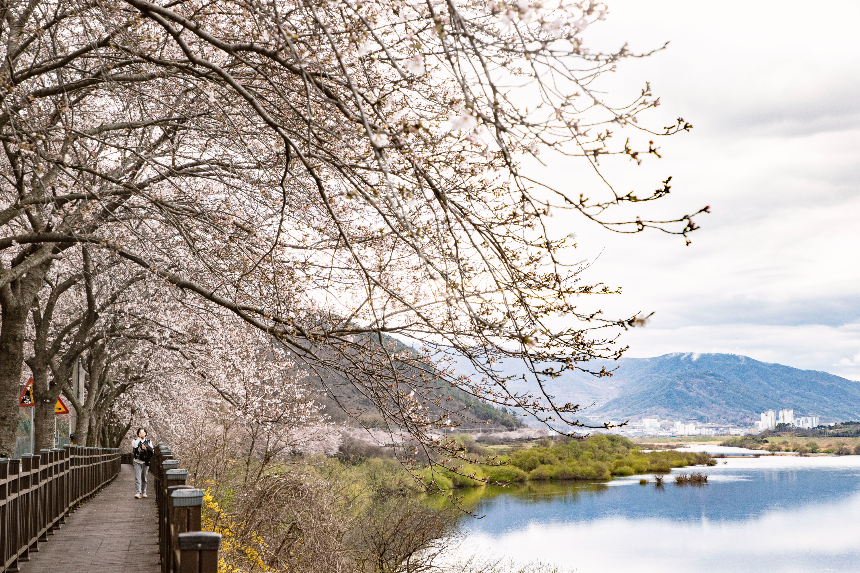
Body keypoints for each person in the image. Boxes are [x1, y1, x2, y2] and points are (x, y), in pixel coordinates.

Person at [132, 427, 154, 499]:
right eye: (140, 433)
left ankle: (144, 491)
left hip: (145, 461)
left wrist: (146, 447)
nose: (142, 434)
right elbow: (135, 447)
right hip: (137, 461)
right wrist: (139, 442)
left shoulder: (149, 441)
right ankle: (138, 492)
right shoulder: (135, 441)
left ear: (145, 433)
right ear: (138, 434)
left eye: (143, 432)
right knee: (137, 477)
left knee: (144, 477)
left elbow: (152, 451)